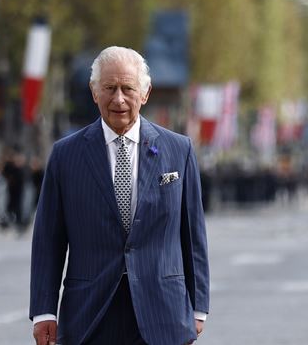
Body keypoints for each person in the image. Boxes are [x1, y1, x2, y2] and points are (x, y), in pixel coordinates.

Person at [30, 46, 210, 345]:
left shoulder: (179, 150)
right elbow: (48, 239)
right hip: (90, 313)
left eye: (128, 88)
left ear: (145, 93)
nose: (119, 99)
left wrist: (199, 305)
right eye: (109, 88)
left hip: (163, 312)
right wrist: (43, 311)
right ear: (93, 92)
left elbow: (193, 235)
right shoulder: (65, 155)